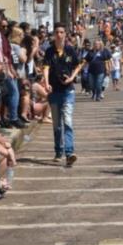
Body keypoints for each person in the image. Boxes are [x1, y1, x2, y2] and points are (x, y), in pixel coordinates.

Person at [41, 23, 84, 166]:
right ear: (54, 35)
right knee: (57, 125)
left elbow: (78, 65)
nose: (59, 35)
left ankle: (69, 152)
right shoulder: (49, 51)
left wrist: (72, 77)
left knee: (67, 122)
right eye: (57, 32)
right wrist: (46, 83)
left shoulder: (70, 50)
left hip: (68, 91)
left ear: (65, 34)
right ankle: (58, 151)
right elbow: (46, 67)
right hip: (54, 92)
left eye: (62, 32)